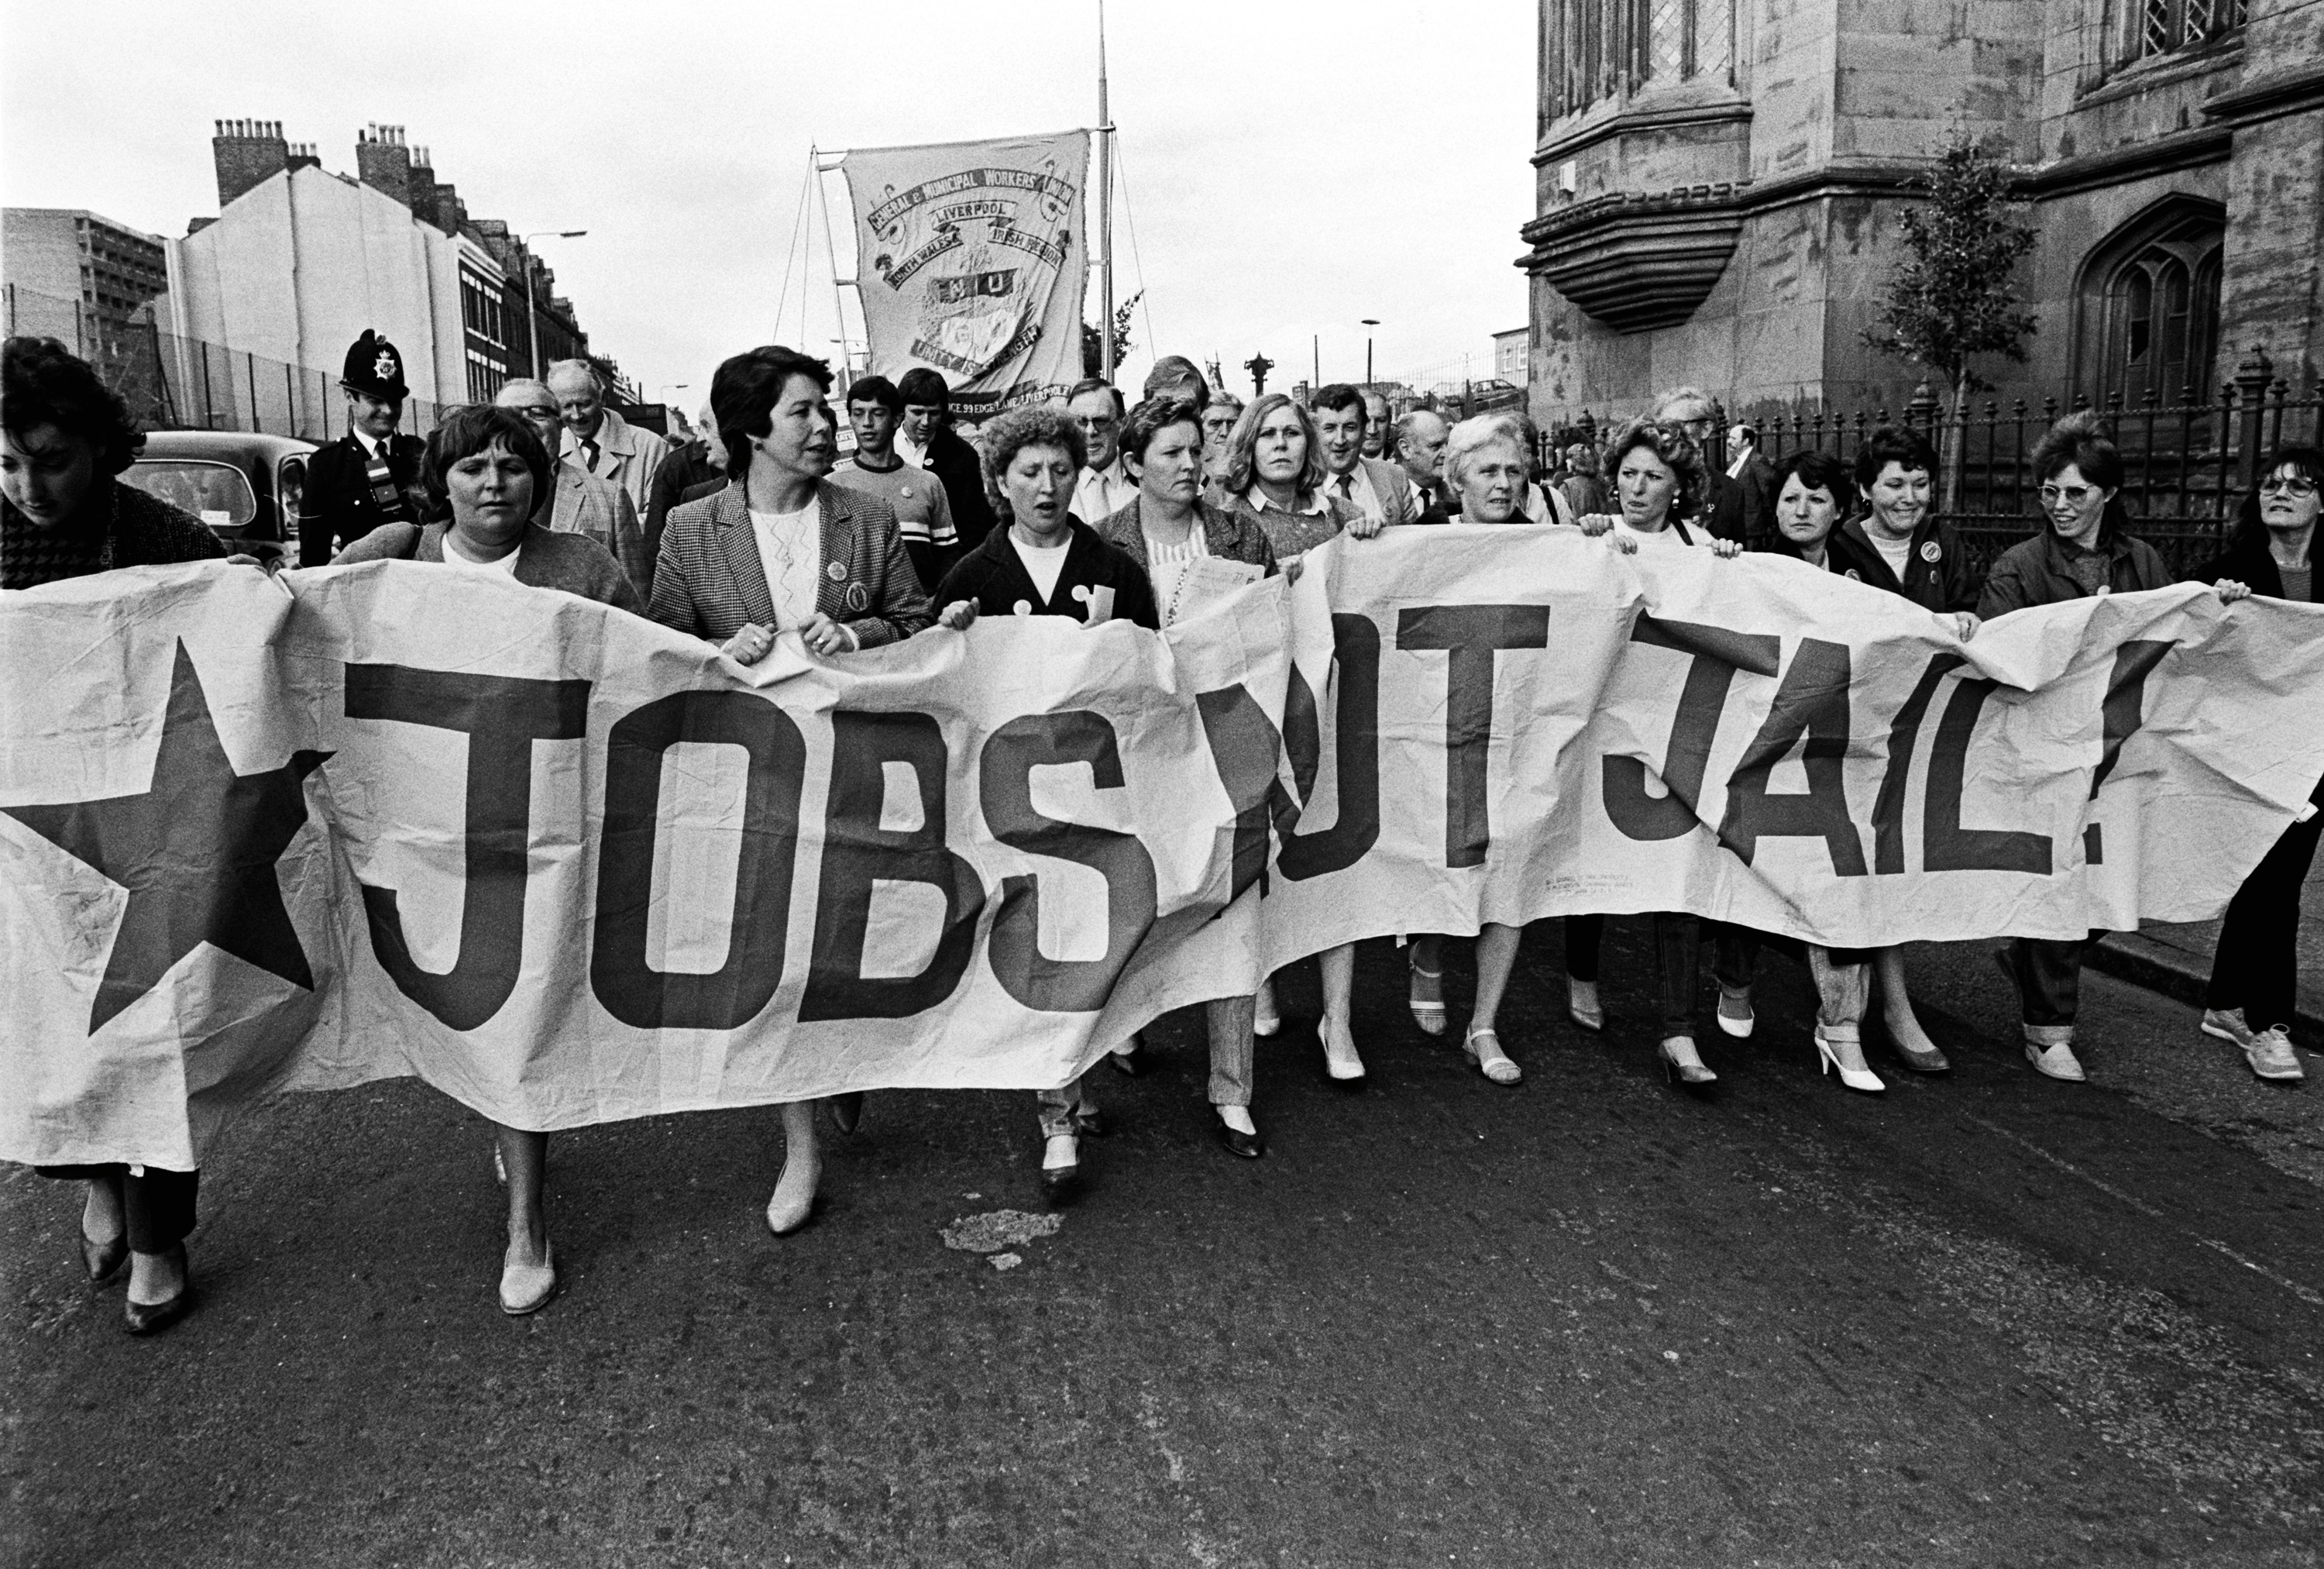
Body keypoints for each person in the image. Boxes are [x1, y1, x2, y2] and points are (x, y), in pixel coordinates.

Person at [335, 405, 641, 1313]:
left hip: (549, 826)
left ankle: (527, 1222)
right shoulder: (395, 556)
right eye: (473, 467)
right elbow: (302, 623)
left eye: (513, 465)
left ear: (539, 479)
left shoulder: (584, 567)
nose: (494, 483)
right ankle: (510, 1127)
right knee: (477, 1005)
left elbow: (651, 668)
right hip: (429, 829)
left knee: (525, 1004)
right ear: (443, 481)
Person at [651, 346, 933, 1234]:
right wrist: (715, 651)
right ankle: (799, 1145)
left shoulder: (865, 518)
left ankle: (845, 1062)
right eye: (802, 412)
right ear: (751, 431)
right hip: (754, 780)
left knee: (848, 938)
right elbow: (657, 648)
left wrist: (858, 634)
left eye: (824, 409)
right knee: (774, 952)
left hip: (854, 770)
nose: (824, 426)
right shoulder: (693, 530)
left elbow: (915, 621)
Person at [2, 335, 246, 1333]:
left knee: (149, 1023)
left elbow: (241, 633)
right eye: (6, 464)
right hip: (23, 840)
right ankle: (95, 1178)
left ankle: (158, 1237)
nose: (29, 488)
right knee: (47, 1018)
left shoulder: (164, 536)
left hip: (147, 824)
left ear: (99, 448)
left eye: (51, 460)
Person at [931, 405, 1157, 1196]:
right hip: (1013, 800)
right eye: (1028, 471)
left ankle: (1077, 1074)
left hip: (1096, 791)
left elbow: (1151, 674)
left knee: (1095, 936)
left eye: (1061, 469)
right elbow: (942, 683)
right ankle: (1056, 1112)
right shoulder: (972, 575)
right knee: (1035, 942)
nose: (1047, 485)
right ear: (1000, 481)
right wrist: (950, 628)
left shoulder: (1116, 568)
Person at [1710, 428, 1970, 1075]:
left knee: (1844, 873)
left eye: (1816, 498)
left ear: (1838, 508)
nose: (1802, 510)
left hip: (1841, 748)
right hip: (1770, 745)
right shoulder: (1749, 567)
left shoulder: (1861, 567)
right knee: (1754, 864)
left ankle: (1842, 1021)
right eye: (1790, 498)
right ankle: (1736, 977)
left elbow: (1900, 631)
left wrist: (1955, 622)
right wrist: (1719, 558)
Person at [1091, 394, 1280, 1157]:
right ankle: (1127, 1025)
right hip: (1142, 751)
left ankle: (1233, 1090)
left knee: (1231, 907)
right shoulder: (1102, 545)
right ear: (1134, 463)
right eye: (1171, 452)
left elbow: (1274, 631)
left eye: (1196, 450)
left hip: (1227, 743)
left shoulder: (1240, 534)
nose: (1189, 464)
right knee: (1141, 899)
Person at [1978, 411, 2176, 1083]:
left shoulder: (2143, 561)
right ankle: (2049, 1031)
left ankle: (2031, 954)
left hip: (2119, 747)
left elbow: (2173, 632)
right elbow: (2000, 656)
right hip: (2049, 747)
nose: (2060, 505)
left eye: (2075, 493)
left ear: (2108, 493)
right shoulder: (2019, 566)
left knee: (2116, 880)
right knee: (2062, 876)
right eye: (2049, 492)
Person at [1574, 416, 1745, 1088]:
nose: (1638, 488)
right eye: (1628, 475)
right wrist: (1585, 543)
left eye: (1654, 477)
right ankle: (1581, 974)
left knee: (1678, 872)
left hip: (1675, 731)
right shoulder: (1594, 538)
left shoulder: (1699, 546)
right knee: (1592, 852)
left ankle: (1679, 1029)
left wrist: (1729, 565)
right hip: (1604, 724)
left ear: (1679, 487)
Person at [2193, 446, 2324, 1082]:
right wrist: (2217, 608)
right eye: (2271, 483)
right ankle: (2271, 1024)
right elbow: (2191, 644)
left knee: (2269, 881)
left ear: (2323, 502)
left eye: (2299, 485)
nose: (2281, 493)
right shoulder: (2230, 572)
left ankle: (2225, 1002)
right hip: (2248, 752)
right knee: (2272, 885)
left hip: (2316, 756)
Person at [493, 379, 649, 589]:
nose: (524, 422)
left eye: (537, 413)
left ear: (560, 424)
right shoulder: (475, 496)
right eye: (509, 415)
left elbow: (636, 592)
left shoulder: (611, 498)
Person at [296, 329, 427, 566]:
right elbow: (313, 556)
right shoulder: (326, 466)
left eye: (395, 401)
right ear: (349, 396)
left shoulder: (420, 453)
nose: (388, 410)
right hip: (362, 585)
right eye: (375, 400)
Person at [831, 372, 957, 591]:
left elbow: (948, 552)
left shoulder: (928, 483)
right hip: (861, 610)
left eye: (878, 413)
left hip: (922, 606)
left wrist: (939, 600)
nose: (867, 423)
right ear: (850, 418)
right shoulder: (833, 486)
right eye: (858, 414)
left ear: (897, 420)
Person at [1220, 393, 1365, 572]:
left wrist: (1370, 536)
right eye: (1267, 434)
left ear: (1309, 444)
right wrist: (1271, 576)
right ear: (1248, 444)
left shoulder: (1345, 514)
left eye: (1292, 433)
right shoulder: (1227, 523)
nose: (1281, 444)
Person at [548, 360, 669, 524]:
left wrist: (598, 533)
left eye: (584, 404)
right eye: (567, 407)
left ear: (602, 398)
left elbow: (659, 517)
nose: (576, 416)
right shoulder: (550, 452)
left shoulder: (651, 446)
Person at [897, 366, 999, 552]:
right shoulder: (880, 449)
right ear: (902, 410)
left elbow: (974, 525)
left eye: (934, 413)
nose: (926, 422)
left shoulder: (962, 455)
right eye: (917, 413)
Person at [1653, 387, 1762, 545]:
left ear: (1705, 429)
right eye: (1663, 427)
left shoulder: (1731, 491)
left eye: (1678, 425)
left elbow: (1738, 552)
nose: (1669, 435)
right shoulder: (1642, 482)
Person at [1311, 383, 1418, 528]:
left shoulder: (1394, 476)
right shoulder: (1301, 486)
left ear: (1363, 431)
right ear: (1315, 433)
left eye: (1350, 428)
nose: (1340, 440)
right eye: (1330, 428)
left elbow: (1413, 537)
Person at [642, 401, 725, 587]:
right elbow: (656, 550)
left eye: (707, 427)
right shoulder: (674, 467)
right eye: (700, 427)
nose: (699, 438)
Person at [1067, 379, 1138, 525]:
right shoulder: (1054, 483)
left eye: (1101, 422)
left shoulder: (1142, 479)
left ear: (1122, 423)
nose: (1090, 431)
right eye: (1080, 422)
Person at [1394, 408, 1456, 521]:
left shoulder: (1457, 494)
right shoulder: (1383, 494)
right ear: (1406, 449)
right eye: (1435, 446)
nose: (1446, 453)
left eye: (1447, 444)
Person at [1200, 390, 1244, 495]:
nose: (1225, 432)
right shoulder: (1193, 461)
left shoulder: (1251, 460)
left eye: (1232, 423)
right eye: (1215, 424)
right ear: (1200, 427)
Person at [1558, 442, 1606, 518]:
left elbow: (1561, 514)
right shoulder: (1601, 482)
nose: (1566, 461)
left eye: (1569, 458)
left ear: (1576, 461)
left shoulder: (1567, 486)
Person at [1360, 390, 1391, 459]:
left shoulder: (1403, 460)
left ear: (1389, 422)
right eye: (1365, 421)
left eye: (1381, 421)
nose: (1372, 431)